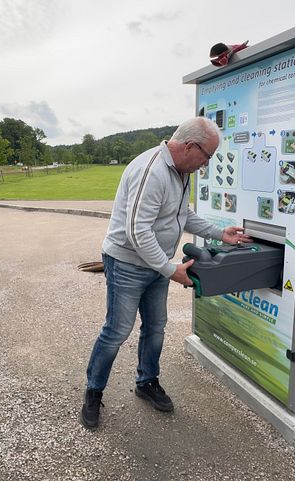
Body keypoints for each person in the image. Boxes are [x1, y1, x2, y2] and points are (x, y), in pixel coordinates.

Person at [80, 117, 252, 429]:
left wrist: (218, 233)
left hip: (157, 263)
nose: (206, 165)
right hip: (128, 264)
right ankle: (93, 391)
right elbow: (137, 232)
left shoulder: (180, 171)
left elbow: (182, 214)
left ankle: (147, 382)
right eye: (207, 156)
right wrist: (170, 269)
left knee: (156, 327)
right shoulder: (153, 171)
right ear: (190, 146)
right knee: (117, 330)